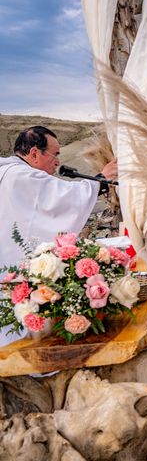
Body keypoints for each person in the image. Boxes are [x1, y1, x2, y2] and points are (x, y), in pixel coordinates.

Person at [0, 126, 117, 346]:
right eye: (55, 154)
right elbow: (61, 198)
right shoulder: (19, 176)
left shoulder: (7, 172)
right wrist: (102, 180)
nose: (57, 161)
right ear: (34, 153)